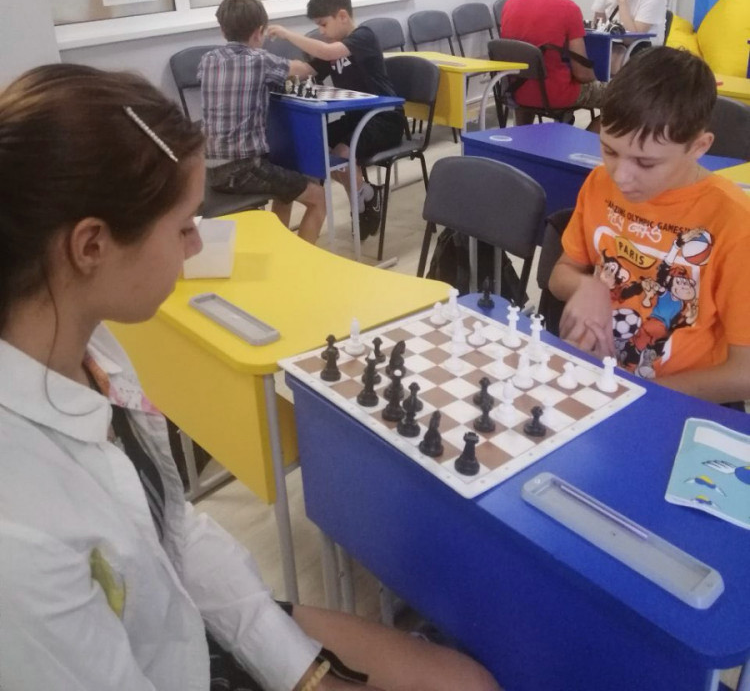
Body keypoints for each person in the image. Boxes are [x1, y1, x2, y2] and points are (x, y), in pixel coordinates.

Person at [0, 63, 499, 691]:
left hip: (187, 622)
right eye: (183, 226)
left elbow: (174, 531)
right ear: (90, 246)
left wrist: (304, 671)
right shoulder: (20, 539)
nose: (194, 247)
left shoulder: (87, 343)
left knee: (466, 682)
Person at [549, 46, 750, 405]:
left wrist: (636, 395)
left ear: (699, 147)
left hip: (676, 402)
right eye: (609, 151)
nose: (621, 176)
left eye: (646, 163)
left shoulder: (736, 222)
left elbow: (744, 374)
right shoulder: (599, 183)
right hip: (598, 382)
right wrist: (587, 287)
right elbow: (561, 273)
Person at [267, 0, 404, 241]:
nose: (321, 31)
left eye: (323, 24)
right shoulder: (332, 47)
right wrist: (269, 65)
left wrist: (288, 34)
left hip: (384, 118)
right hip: (354, 117)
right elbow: (306, 69)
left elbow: (328, 52)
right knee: (316, 145)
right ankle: (366, 194)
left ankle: (362, 201)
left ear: (342, 16)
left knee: (342, 153)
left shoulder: (363, 36)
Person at [199, 0, 326, 244]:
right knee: (318, 198)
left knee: (285, 188)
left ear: (222, 30)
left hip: (210, 169)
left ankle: (278, 249)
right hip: (244, 169)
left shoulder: (207, 60)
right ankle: (298, 263)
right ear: (259, 32)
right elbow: (304, 71)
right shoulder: (260, 60)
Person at [500, 0, 606, 125]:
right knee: (616, 97)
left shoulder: (510, 3)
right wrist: (596, 80)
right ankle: (592, 139)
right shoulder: (569, 9)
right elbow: (581, 73)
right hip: (555, 94)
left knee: (531, 93)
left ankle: (523, 135)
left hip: (516, 91)